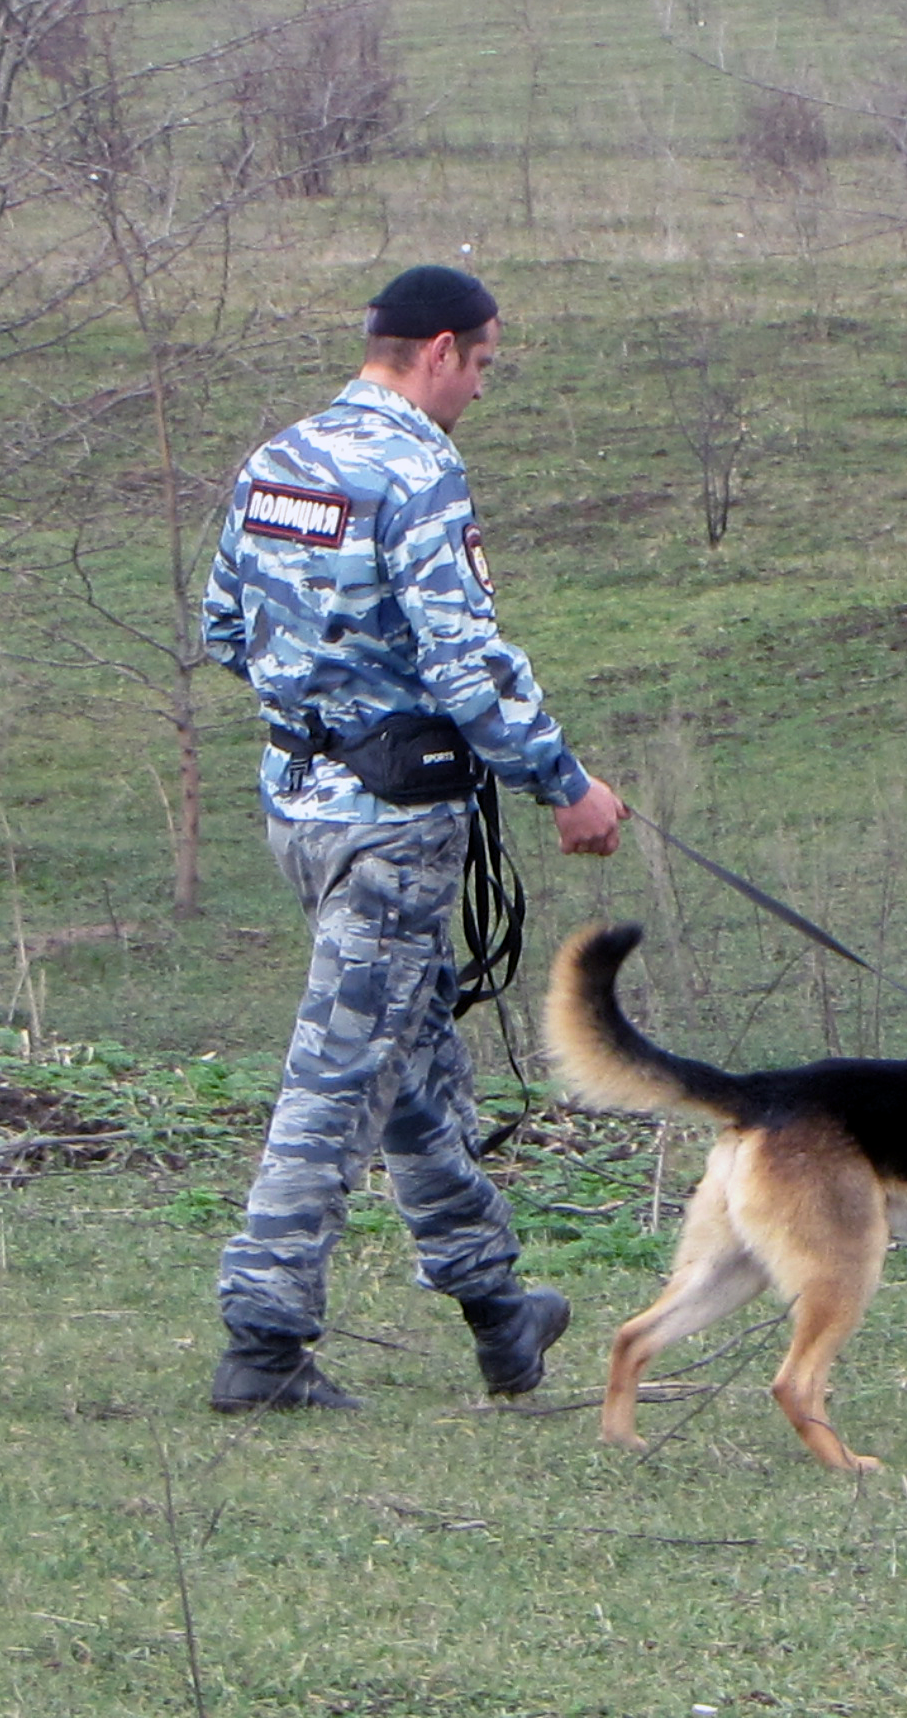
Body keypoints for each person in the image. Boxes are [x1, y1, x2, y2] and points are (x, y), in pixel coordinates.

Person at [201, 263, 628, 1414]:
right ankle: (264, 1339)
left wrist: (327, 695)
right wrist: (565, 784)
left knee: (409, 1061)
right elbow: (467, 664)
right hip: (392, 825)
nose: (482, 389)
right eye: (483, 364)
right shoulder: (416, 471)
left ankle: (500, 1313)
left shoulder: (277, 460)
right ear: (439, 349)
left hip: (298, 804)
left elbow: (225, 629)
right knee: (340, 1075)